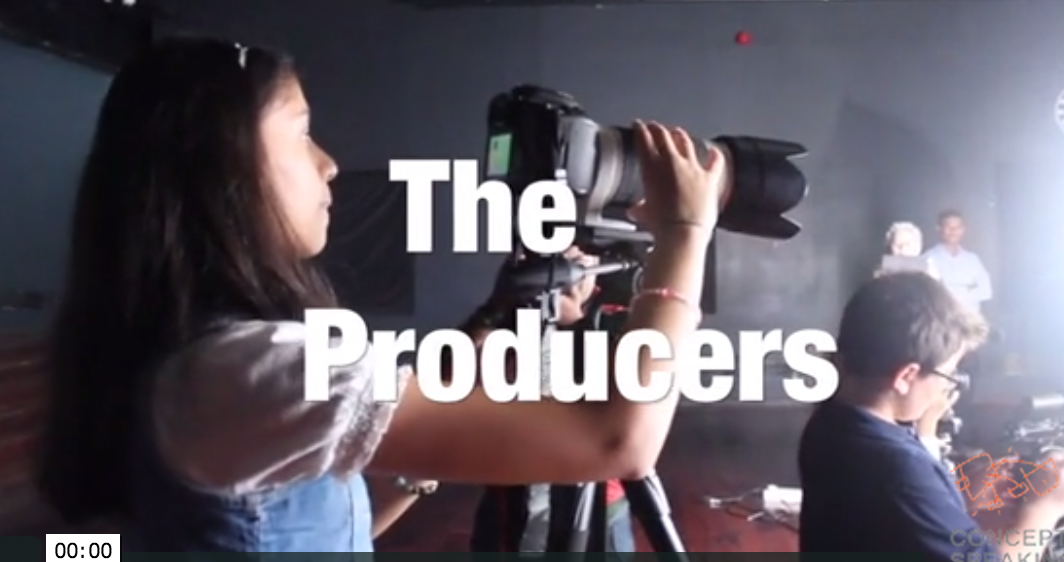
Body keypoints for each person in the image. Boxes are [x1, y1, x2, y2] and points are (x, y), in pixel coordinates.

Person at [35, 37, 725, 552]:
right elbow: (616, 440)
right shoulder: (249, 372)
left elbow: (315, 530)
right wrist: (686, 232)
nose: (330, 164)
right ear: (218, 161)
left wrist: (496, 317)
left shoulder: (186, 358)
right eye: (303, 132)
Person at [798, 272, 1064, 560]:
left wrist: (948, 499)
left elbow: (894, 520)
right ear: (906, 376)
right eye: (948, 373)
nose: (947, 386)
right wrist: (1044, 509)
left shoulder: (830, 422)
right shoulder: (897, 469)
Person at [467, 246, 635, 553]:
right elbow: (446, 380)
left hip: (598, 508)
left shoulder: (615, 317)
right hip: (508, 503)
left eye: (575, 263)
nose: (563, 277)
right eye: (552, 264)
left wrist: (575, 323)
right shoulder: (512, 315)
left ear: (596, 265)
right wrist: (495, 307)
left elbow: (627, 419)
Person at [923, 210, 992, 314]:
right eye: (948, 227)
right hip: (941, 318)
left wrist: (961, 295)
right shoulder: (928, 258)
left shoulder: (972, 259)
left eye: (957, 227)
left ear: (963, 230)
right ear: (939, 228)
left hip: (969, 319)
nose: (953, 231)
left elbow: (986, 290)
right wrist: (965, 289)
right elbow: (927, 293)